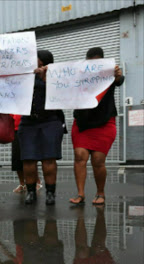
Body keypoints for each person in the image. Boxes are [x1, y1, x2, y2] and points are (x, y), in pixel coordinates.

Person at [69, 47, 124, 206]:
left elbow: (119, 80)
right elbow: (62, 84)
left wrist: (117, 75)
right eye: (91, 62)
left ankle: (100, 193)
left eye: (98, 62)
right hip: (82, 123)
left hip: (104, 122)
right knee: (80, 156)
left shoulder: (110, 74)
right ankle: (80, 194)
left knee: (98, 160)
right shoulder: (79, 77)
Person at [19, 50, 66, 205]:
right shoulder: (24, 75)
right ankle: (31, 191)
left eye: (36, 58)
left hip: (50, 121)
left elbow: (62, 95)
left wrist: (45, 78)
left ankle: (50, 193)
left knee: (49, 159)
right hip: (28, 121)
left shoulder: (57, 75)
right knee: (28, 159)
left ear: (44, 61)